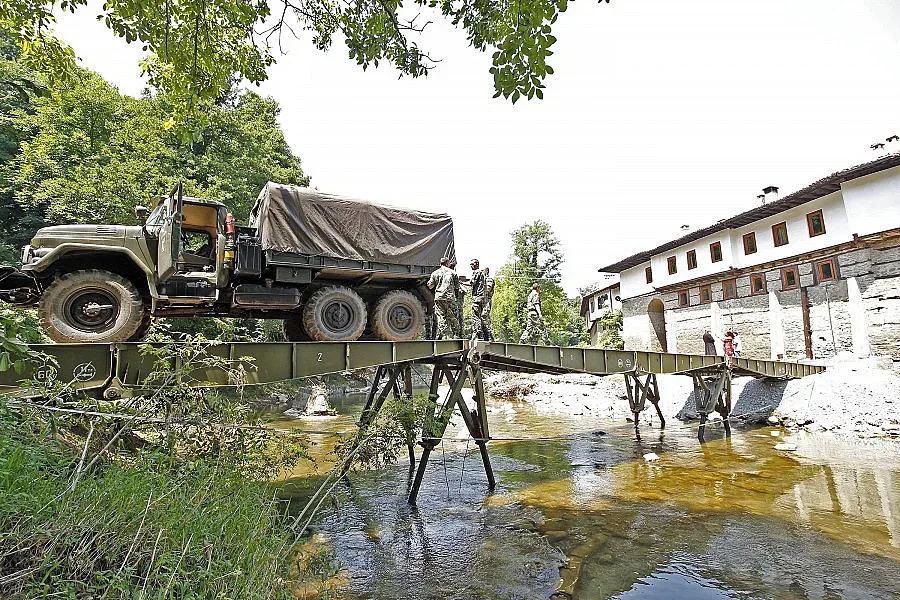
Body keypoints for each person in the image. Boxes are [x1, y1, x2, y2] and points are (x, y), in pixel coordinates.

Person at [426, 257, 461, 339]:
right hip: (449, 297)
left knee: (441, 317)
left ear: (440, 263)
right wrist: (456, 297)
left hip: (439, 297)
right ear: (448, 263)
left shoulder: (435, 273)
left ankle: (443, 336)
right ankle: (456, 336)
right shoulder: (453, 273)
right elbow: (457, 287)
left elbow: (430, 286)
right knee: (453, 316)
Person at [469, 258, 489, 341]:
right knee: (481, 317)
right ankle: (486, 335)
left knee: (476, 317)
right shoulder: (481, 274)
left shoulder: (476, 272)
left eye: (472, 264)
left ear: (476, 264)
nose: (471, 266)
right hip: (481, 298)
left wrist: (461, 282)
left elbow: (471, 282)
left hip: (477, 298)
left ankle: (479, 335)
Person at [483, 267, 495, 341]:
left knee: (485, 317)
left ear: (486, 271)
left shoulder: (489, 279)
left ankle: (489, 336)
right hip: (483, 301)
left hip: (486, 301)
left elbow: (488, 289)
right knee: (482, 318)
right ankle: (486, 336)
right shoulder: (483, 280)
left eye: (483, 271)